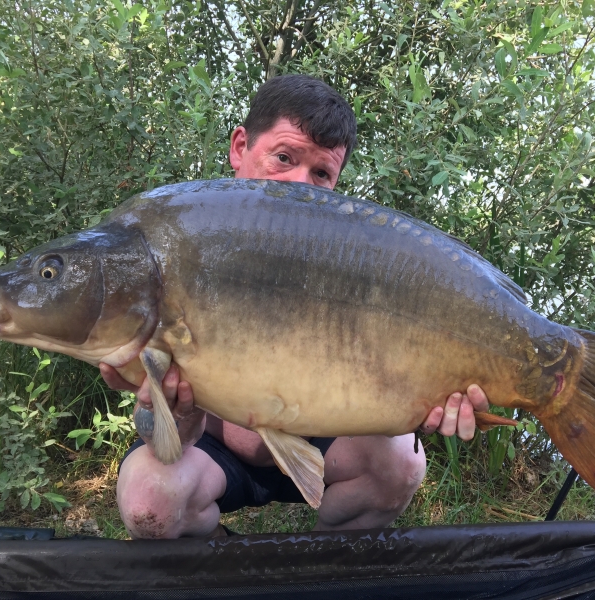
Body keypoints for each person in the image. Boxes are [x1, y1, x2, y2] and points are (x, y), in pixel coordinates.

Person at [99, 75, 490, 539]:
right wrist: (175, 413)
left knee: (402, 463)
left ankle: (319, 570)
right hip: (212, 450)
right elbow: (163, 441)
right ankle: (217, 569)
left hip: (319, 443)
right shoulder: (184, 239)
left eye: (321, 174)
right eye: (283, 158)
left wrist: (424, 405)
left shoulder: (356, 259)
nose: (299, 185)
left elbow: (386, 386)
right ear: (240, 146)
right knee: (149, 501)